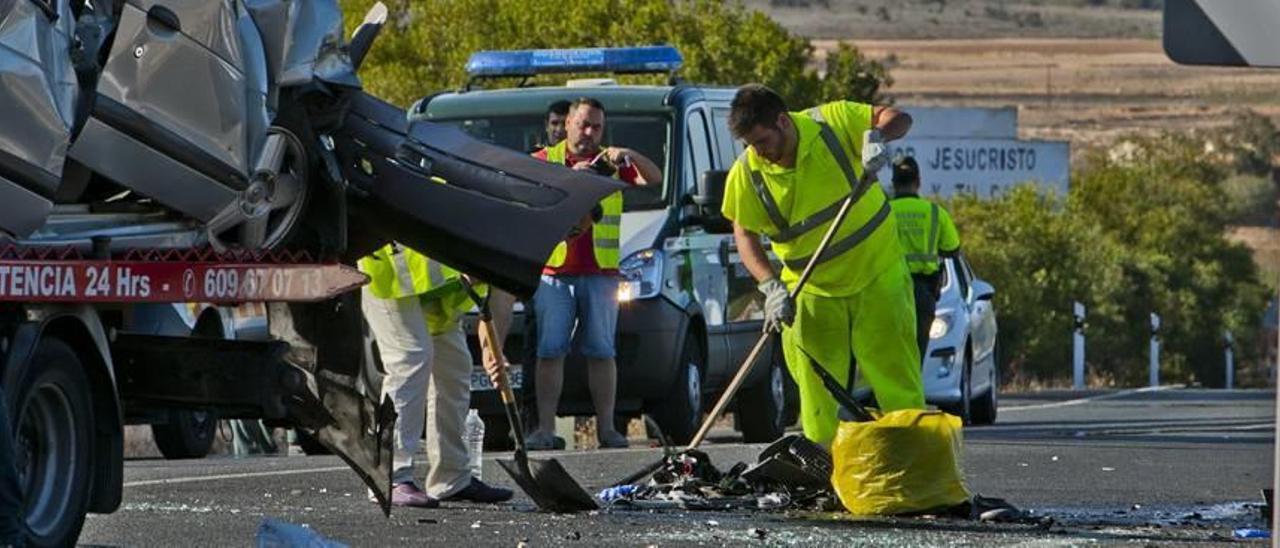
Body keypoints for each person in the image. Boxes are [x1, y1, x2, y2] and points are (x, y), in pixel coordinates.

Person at [721, 84, 922, 446]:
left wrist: (876, 137)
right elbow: (745, 236)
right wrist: (770, 286)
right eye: (750, 145)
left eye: (763, 141)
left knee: (895, 373)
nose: (759, 153)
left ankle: (914, 461)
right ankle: (824, 470)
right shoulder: (748, 172)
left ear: (782, 121)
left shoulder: (833, 122)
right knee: (815, 391)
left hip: (877, 271)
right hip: (810, 288)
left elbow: (899, 118)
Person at [526, 97, 661, 450]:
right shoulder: (545, 161)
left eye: (596, 127)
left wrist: (627, 153)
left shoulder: (610, 163)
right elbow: (522, 195)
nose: (589, 133)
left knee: (602, 351)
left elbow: (653, 177)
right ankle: (544, 429)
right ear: (566, 123)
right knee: (550, 350)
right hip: (554, 271)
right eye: (583, 124)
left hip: (600, 272)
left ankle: (607, 429)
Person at [359, 244, 513, 507]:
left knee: (454, 366)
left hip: (431, 288)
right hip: (389, 273)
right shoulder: (525, 223)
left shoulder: (527, 232)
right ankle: (389, 477)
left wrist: (492, 350)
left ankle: (451, 479)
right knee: (411, 357)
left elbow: (500, 293)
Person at [888, 156, 961, 358]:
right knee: (915, 357)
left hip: (888, 293)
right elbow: (953, 249)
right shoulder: (936, 213)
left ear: (893, 183)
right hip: (922, 292)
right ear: (918, 181)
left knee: (888, 359)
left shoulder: (883, 212)